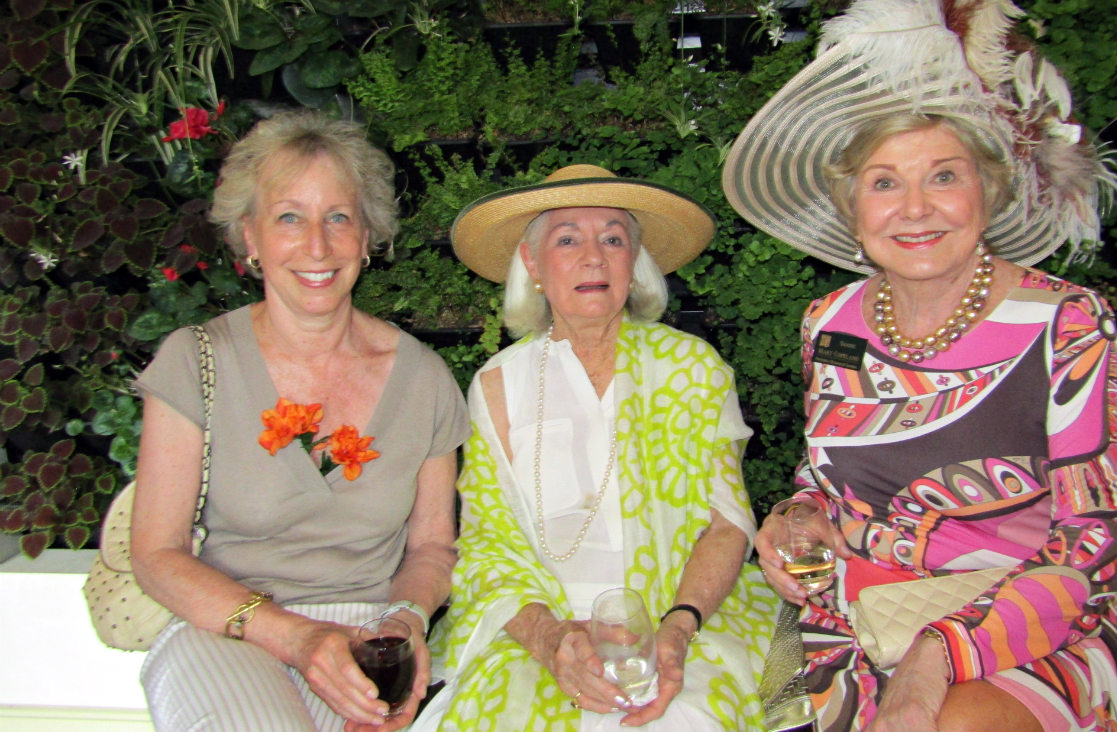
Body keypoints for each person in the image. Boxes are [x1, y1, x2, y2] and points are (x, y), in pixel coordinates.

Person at [722, 1, 1117, 731]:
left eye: (943, 175)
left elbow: (1088, 540)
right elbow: (823, 480)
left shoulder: (1066, 321)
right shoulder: (828, 321)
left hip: (1022, 623)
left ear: (988, 190)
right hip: (852, 614)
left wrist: (935, 657)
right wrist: (795, 515)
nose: (914, 208)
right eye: (884, 181)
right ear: (851, 205)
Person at [131, 111, 470, 732]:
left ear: (367, 236)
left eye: (338, 217)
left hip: (369, 643)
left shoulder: (424, 379)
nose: (317, 245)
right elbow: (155, 552)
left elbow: (430, 547)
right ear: (249, 236)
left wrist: (405, 622)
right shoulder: (196, 360)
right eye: (289, 216)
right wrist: (295, 636)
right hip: (230, 630)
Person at [410, 165, 777, 732]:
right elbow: (486, 547)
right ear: (532, 265)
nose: (593, 257)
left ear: (635, 263)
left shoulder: (692, 368)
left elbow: (727, 524)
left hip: (685, 615)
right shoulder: (495, 385)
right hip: (539, 629)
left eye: (613, 238)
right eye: (566, 239)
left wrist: (676, 628)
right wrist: (552, 638)